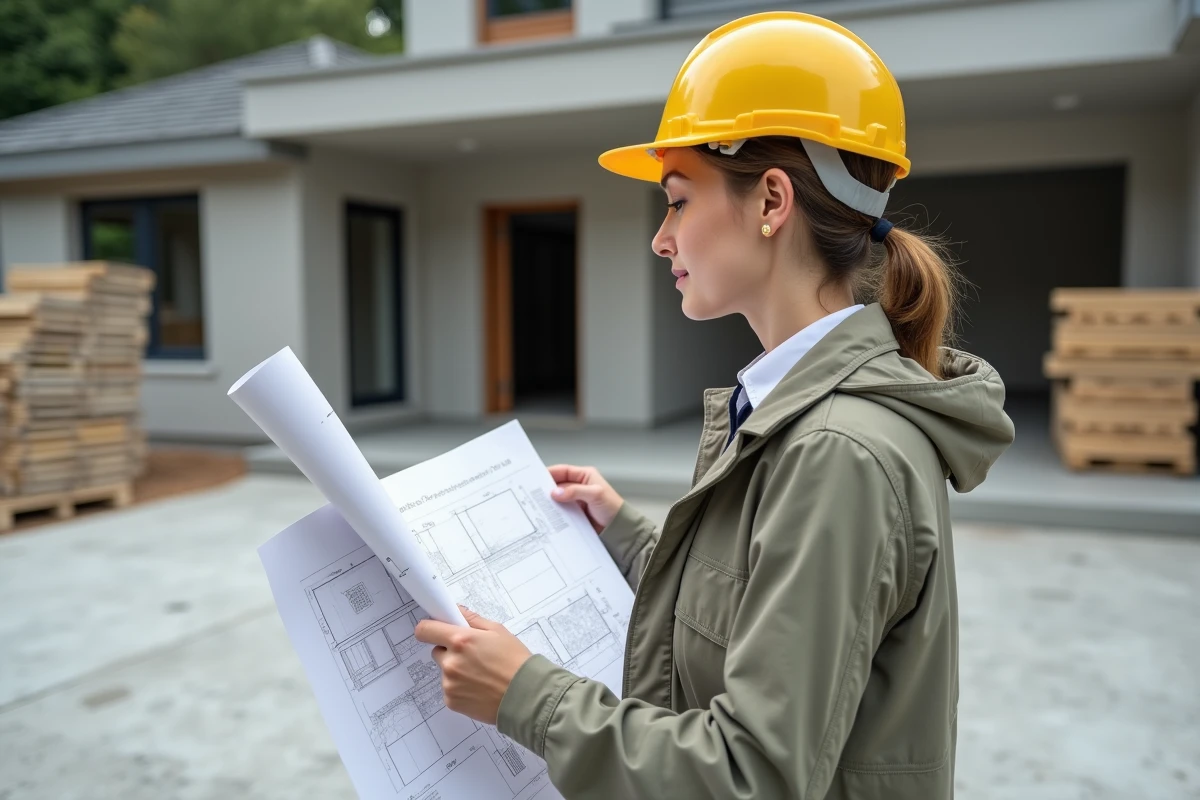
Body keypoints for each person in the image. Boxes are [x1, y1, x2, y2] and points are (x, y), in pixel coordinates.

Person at [415, 11, 1015, 799]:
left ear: (770, 201)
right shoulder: (793, 410)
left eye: (676, 200)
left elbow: (750, 773)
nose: (662, 239)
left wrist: (527, 695)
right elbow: (759, 592)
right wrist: (627, 533)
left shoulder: (837, 450)